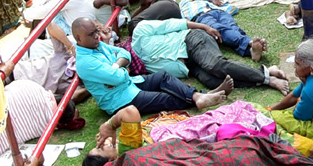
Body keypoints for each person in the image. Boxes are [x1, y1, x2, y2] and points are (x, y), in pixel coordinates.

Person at [73, 17, 229, 124]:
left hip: (129, 83)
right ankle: (202, 97)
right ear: (78, 39)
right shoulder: (85, 62)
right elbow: (119, 77)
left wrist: (116, 66)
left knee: (163, 77)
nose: (96, 36)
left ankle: (198, 96)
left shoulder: (97, 45)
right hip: (120, 100)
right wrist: (120, 68)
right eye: (91, 34)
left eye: (96, 32)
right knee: (164, 98)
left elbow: (125, 54)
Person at [129, 16, 289, 93]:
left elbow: (174, 24)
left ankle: (268, 79)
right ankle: (266, 73)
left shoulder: (140, 32)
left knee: (215, 65)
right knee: (213, 81)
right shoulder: (140, 68)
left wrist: (205, 27)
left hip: (191, 40)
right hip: (190, 66)